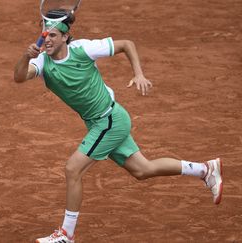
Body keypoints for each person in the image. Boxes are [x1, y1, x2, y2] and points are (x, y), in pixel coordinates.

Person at [13, 11, 223, 243]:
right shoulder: (42, 60)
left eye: (53, 34)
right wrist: (25, 56)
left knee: (73, 169)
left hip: (109, 120)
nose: (48, 40)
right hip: (101, 122)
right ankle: (205, 170)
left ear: (65, 37)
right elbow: (20, 77)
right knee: (143, 169)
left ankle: (66, 235)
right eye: (45, 35)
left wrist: (139, 74)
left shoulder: (83, 49)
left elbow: (126, 44)